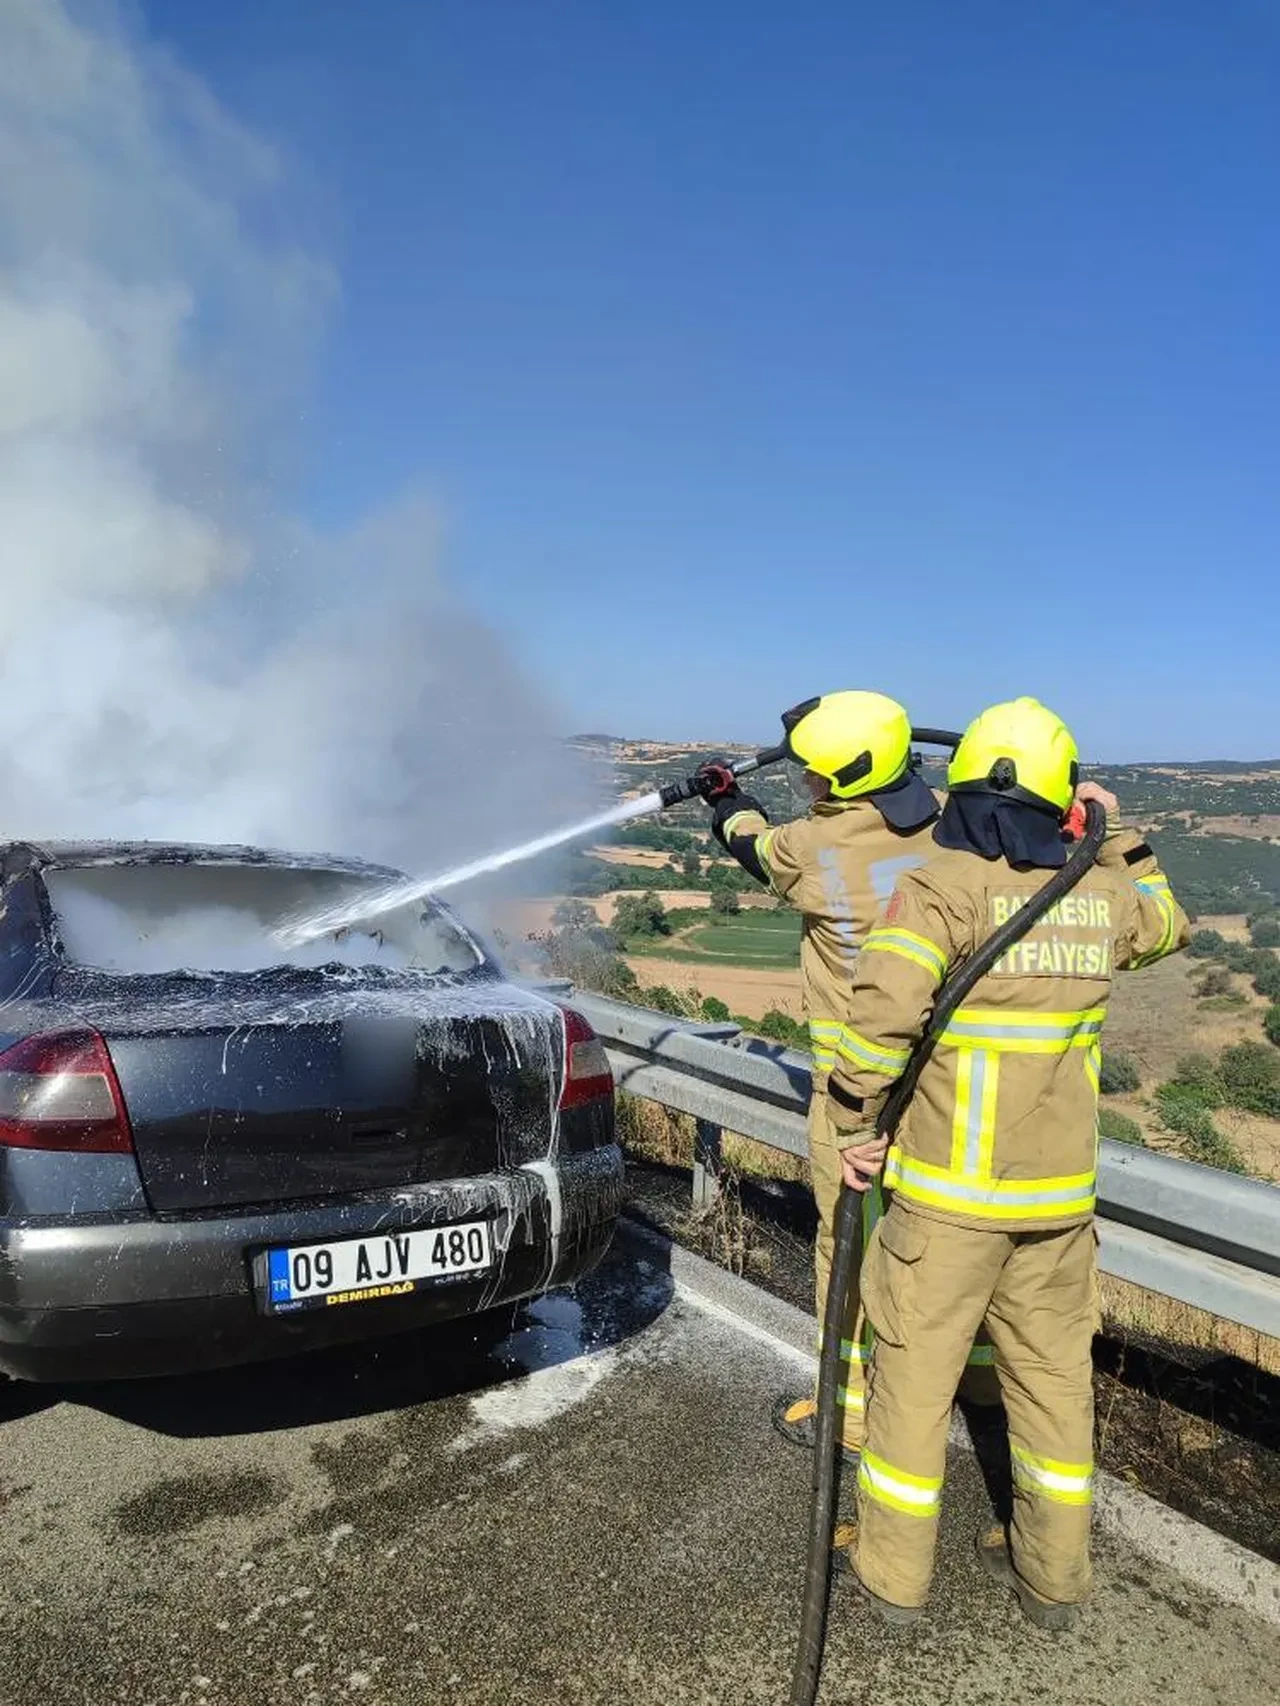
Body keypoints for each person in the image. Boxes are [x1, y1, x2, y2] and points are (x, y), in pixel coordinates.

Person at [824, 696, 1189, 1628]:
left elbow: (877, 1031)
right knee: (1055, 1393)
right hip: (1060, 1211)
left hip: (945, 1209)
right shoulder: (1101, 897)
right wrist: (1118, 833)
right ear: (1060, 798)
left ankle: (894, 1583)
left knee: (911, 1389)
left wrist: (854, 1118)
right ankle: (1053, 1583)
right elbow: (1167, 924)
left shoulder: (936, 886)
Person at [695, 690, 998, 1460]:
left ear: (831, 784)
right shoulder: (959, 825)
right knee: (961, 1241)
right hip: (956, 1078)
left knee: (852, 1244)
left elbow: (751, 847)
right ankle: (983, 1392)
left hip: (858, 1092)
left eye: (812, 779)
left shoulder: (813, 845)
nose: (808, 789)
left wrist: (726, 797)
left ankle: (855, 1411)